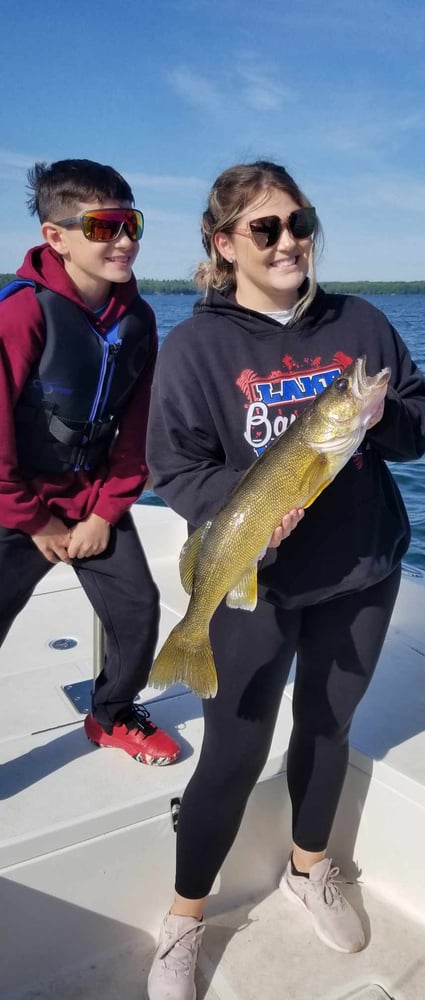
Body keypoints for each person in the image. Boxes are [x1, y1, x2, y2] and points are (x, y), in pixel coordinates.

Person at [145, 160, 425, 996]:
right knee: (232, 754)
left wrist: (381, 422)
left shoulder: (362, 322)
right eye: (265, 228)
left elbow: (419, 419)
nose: (289, 241)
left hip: (362, 572)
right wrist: (242, 518)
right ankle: (183, 919)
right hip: (254, 585)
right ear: (222, 243)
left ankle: (310, 868)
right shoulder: (196, 346)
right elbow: (176, 466)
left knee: (326, 729)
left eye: (300, 222)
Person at [0, 158, 180, 767]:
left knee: (138, 611)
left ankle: (109, 715)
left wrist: (107, 510)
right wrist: (32, 521)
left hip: (91, 501)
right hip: (14, 503)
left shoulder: (140, 319)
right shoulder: (20, 312)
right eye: (103, 227)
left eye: (132, 223)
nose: (124, 239)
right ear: (56, 237)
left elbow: (137, 429)